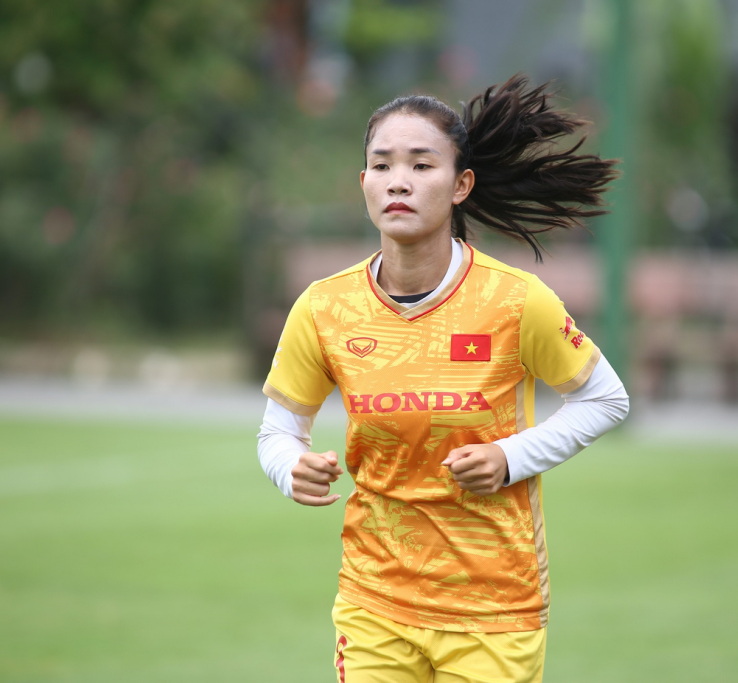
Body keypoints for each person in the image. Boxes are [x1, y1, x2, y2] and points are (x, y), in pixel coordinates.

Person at [257, 74, 629, 683]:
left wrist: (509, 458)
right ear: (364, 183)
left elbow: (606, 399)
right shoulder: (324, 308)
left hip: (494, 608)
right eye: (382, 165)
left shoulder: (515, 300)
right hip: (374, 600)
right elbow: (278, 430)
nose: (398, 180)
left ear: (461, 185)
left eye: (421, 165)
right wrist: (288, 466)